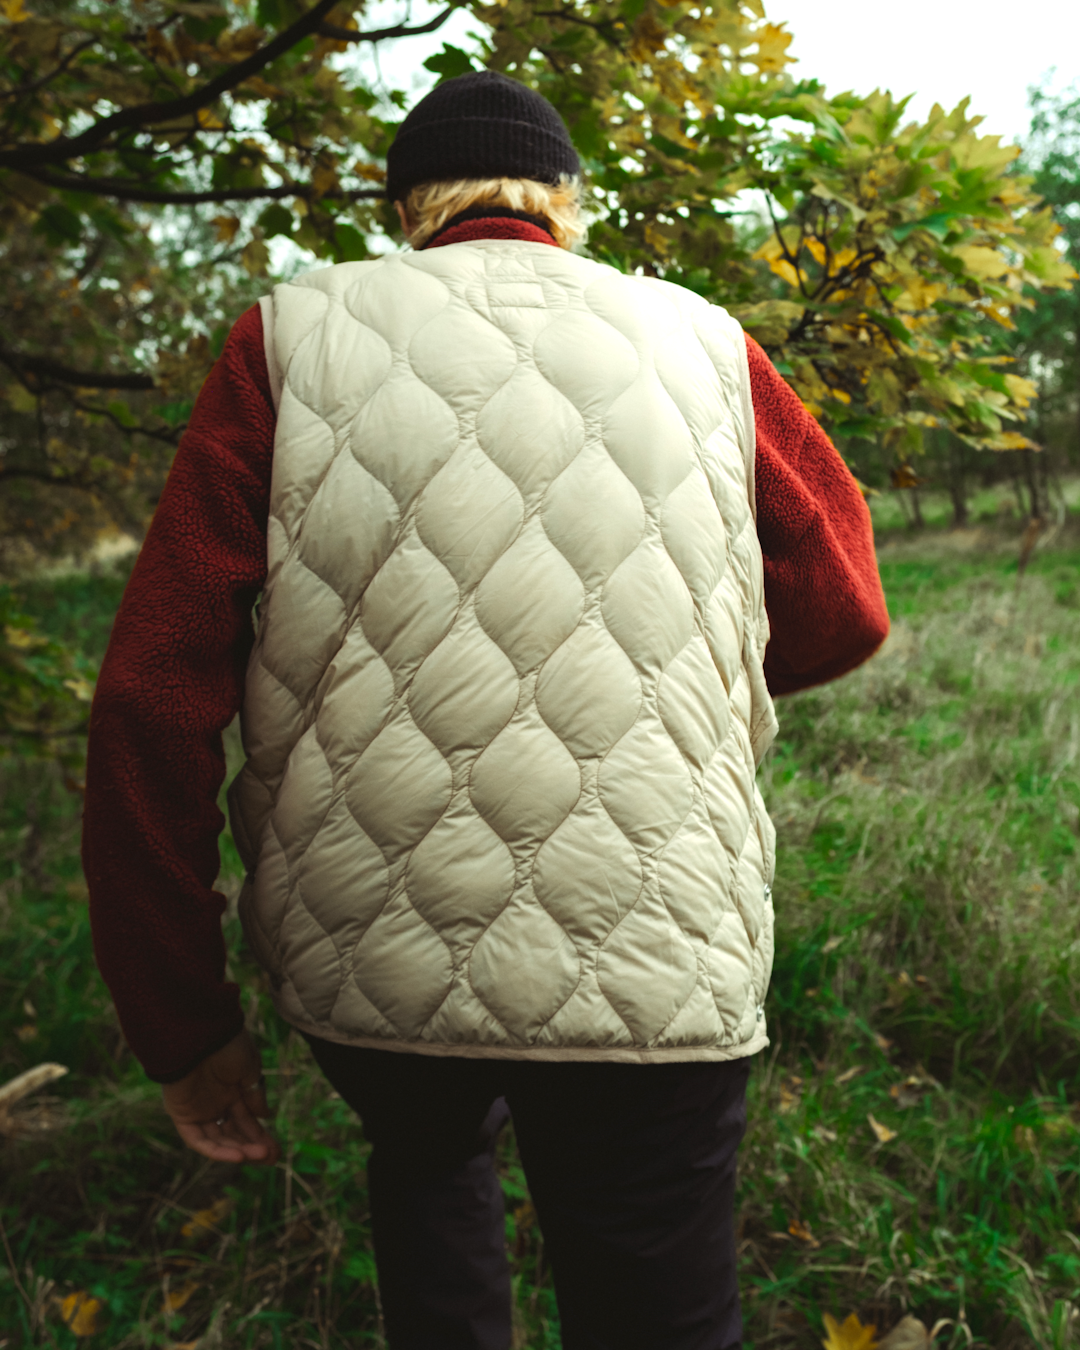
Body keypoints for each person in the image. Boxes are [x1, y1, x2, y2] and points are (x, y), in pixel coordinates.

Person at [83, 70, 889, 1350]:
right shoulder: (704, 342)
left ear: (408, 208)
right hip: (662, 938)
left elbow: (149, 700)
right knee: (660, 1306)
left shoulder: (290, 338)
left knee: (425, 1165)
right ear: (566, 203)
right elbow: (846, 602)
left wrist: (180, 1022)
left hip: (371, 948)